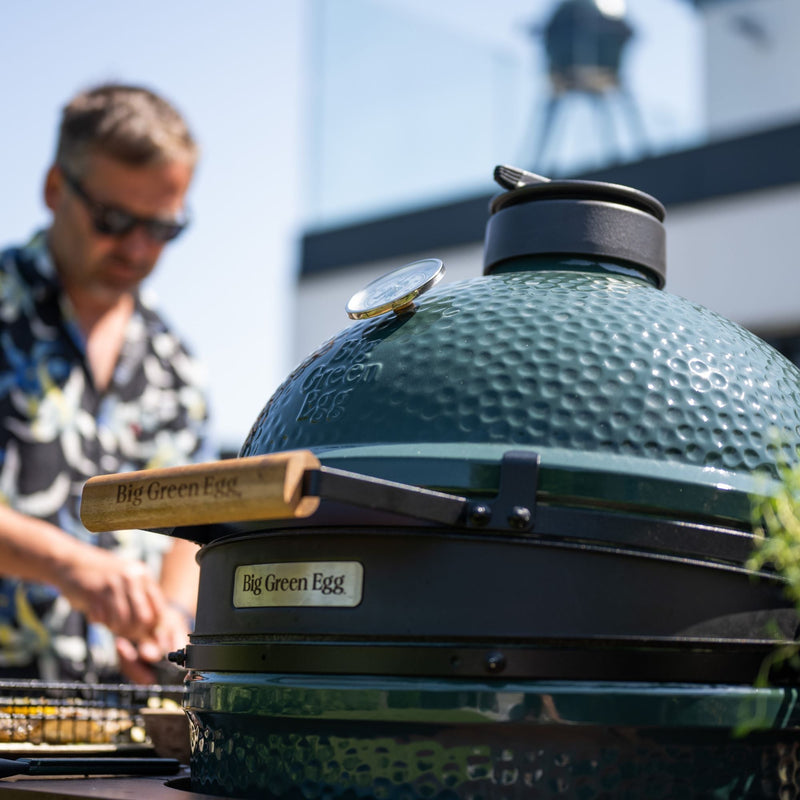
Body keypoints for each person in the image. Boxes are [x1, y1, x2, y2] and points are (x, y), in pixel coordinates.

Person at [0, 83, 211, 684]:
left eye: (164, 227)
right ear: (54, 189)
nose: (139, 247)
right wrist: (66, 563)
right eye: (114, 220)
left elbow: (191, 526)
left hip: (121, 731)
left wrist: (170, 617)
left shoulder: (177, 366)